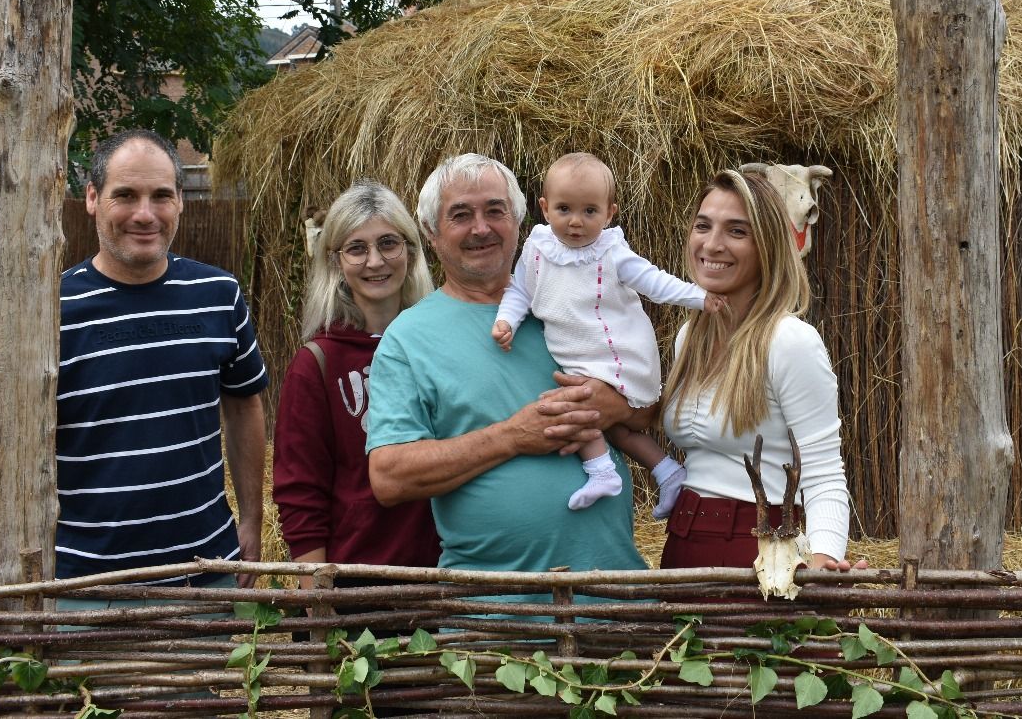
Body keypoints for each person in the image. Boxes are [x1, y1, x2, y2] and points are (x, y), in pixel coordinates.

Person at [365, 153, 647, 577]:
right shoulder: (408, 339)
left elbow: (656, 408)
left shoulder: (580, 299)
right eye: (460, 215)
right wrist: (513, 437)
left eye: (495, 211)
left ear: (520, 219)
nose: (481, 228)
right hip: (497, 615)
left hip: (618, 594)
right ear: (431, 233)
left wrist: (615, 406)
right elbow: (389, 477)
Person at [57, 129, 267, 593]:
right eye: (125, 195)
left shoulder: (217, 296)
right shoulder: (52, 311)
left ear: (181, 203)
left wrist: (252, 519)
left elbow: (243, 406)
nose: (145, 214)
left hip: (208, 570)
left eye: (162, 196)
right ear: (92, 198)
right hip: (88, 585)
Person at [491, 152, 722, 515]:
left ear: (610, 213)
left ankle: (601, 472)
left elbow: (655, 283)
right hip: (576, 353)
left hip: (615, 354)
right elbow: (520, 290)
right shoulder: (538, 246)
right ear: (545, 207)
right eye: (564, 209)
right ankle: (668, 471)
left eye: (590, 211)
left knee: (576, 407)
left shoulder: (611, 253)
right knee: (613, 426)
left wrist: (699, 296)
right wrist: (506, 320)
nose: (576, 222)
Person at [659, 169, 863, 573]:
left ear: (767, 246)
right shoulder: (689, 337)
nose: (712, 244)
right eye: (703, 226)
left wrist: (823, 559)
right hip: (682, 547)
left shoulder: (790, 342)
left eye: (737, 231)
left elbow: (822, 471)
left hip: (759, 553)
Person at [273, 180, 440, 574]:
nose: (375, 261)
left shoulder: (438, 347)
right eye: (356, 248)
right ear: (336, 263)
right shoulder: (317, 363)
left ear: (411, 251)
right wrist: (318, 600)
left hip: (445, 576)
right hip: (358, 582)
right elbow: (300, 493)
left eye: (388, 243)